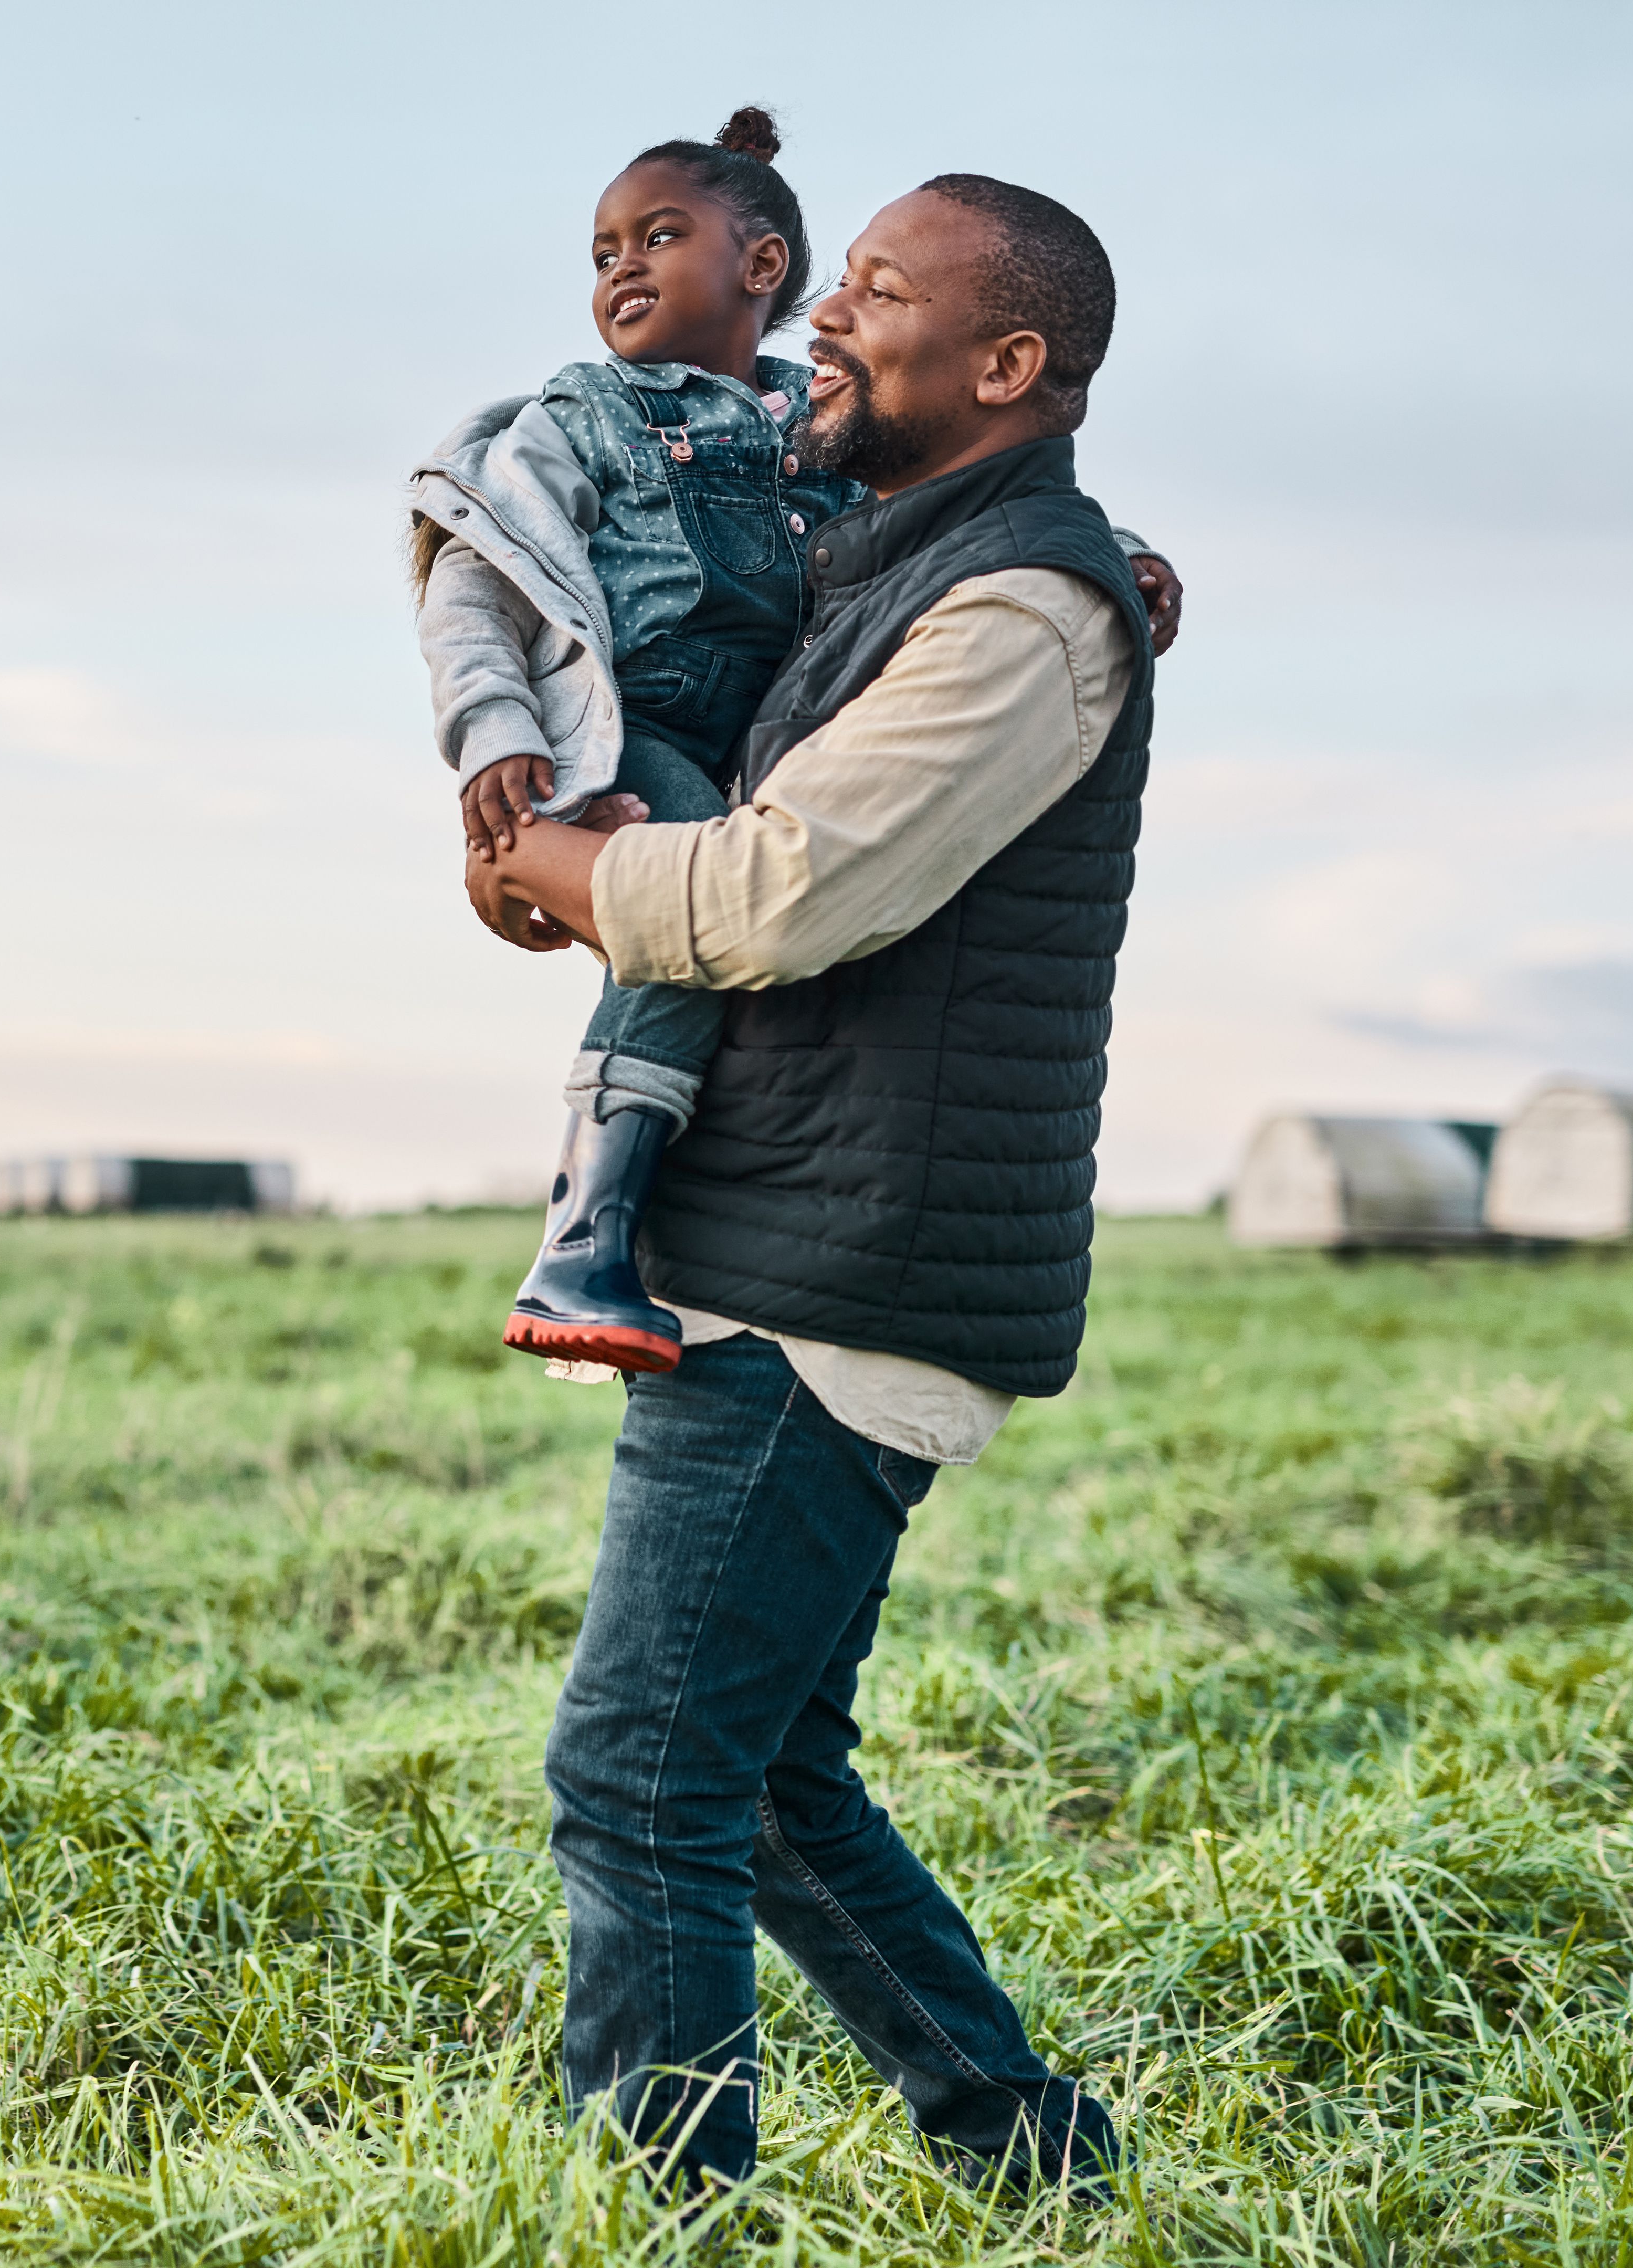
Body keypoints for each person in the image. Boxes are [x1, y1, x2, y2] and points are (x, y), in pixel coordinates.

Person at [461, 174, 1174, 2196]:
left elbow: (775, 896)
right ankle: (1043, 2171)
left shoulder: (1023, 608)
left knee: (639, 1780)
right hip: (796, 1244)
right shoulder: (905, 560)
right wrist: (545, 810)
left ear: (1008, 365)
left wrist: (558, 872)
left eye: (873, 291)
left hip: (835, 1286)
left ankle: (659, 2222)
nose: (827, 321)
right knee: (758, 1785)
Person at [407, 118, 1175, 1374]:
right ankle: (584, 1236)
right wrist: (499, 745)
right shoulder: (577, 415)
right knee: (667, 953)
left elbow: (961, 511)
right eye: (602, 250)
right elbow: (479, 588)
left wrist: (1120, 545)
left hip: (766, 747)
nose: (620, 270)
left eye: (659, 237)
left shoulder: (826, 436)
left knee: (692, 927)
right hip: (646, 723)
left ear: (759, 263)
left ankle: (593, 1233)